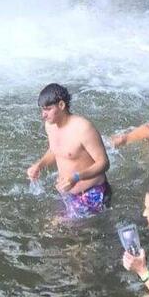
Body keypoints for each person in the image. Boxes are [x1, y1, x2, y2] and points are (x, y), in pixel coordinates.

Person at [26, 82, 111, 217]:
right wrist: (39, 165)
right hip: (67, 192)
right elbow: (55, 150)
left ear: (61, 105)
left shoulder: (83, 128)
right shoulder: (50, 125)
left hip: (92, 193)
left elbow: (104, 163)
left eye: (47, 109)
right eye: (42, 110)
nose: (43, 115)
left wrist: (76, 177)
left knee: (56, 230)